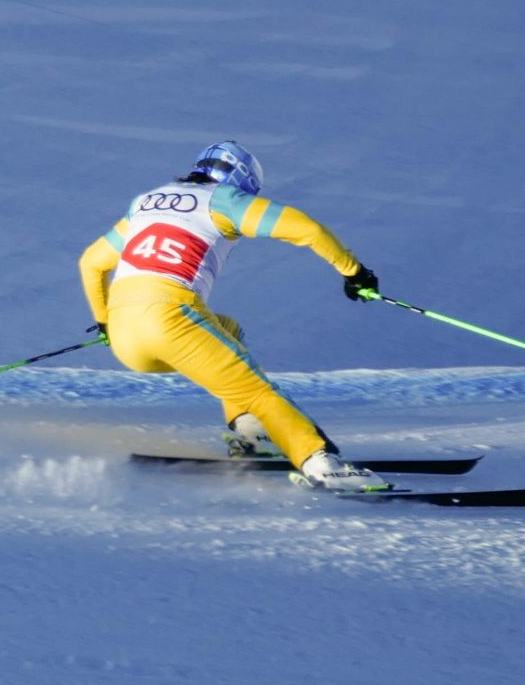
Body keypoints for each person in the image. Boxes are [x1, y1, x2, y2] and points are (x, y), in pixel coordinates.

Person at [78, 140, 388, 492]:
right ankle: (322, 463)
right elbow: (308, 230)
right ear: (240, 180)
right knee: (259, 392)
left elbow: (91, 262)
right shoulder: (224, 200)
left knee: (229, 331)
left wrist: (105, 322)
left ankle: (252, 433)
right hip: (170, 318)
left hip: (125, 335)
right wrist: (354, 272)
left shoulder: (147, 201)